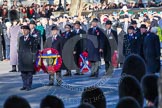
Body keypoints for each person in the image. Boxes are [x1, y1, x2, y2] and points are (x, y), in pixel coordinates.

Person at [18, 25, 39, 91]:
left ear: (28, 31)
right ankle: (24, 85)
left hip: (29, 58)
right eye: (23, 30)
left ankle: (28, 86)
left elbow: (35, 49)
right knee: (23, 73)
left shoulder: (32, 39)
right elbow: (19, 48)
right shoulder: (21, 38)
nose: (23, 31)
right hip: (22, 58)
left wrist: (34, 58)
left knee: (29, 73)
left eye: (25, 30)